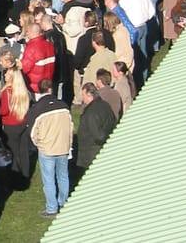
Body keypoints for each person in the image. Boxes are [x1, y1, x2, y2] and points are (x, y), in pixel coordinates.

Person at [25, 80, 72, 218]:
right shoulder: (64, 106)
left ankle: (52, 208)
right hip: (63, 146)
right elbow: (70, 125)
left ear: (39, 91)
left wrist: (39, 144)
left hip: (47, 149)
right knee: (63, 176)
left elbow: (32, 132)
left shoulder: (37, 109)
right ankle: (63, 202)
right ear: (51, 89)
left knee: (49, 179)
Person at [76, 82, 117, 172]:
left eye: (83, 95)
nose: (83, 98)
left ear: (89, 95)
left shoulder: (91, 112)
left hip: (91, 152)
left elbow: (98, 136)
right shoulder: (106, 105)